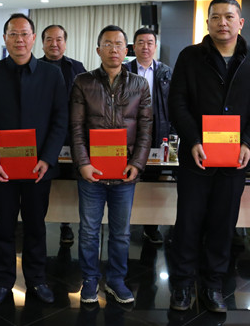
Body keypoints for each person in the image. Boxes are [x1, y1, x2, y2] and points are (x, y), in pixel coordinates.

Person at [168, 0, 250, 312]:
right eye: (216, 17)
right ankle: (182, 285)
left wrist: (248, 143)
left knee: (223, 225)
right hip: (196, 157)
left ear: (241, 22)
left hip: (234, 160)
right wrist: (193, 140)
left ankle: (213, 285)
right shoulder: (190, 56)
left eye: (229, 16)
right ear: (208, 22)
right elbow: (177, 103)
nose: (222, 22)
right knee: (187, 224)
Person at [0, 13, 68, 306]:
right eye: (13, 34)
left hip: (38, 167)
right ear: (5, 38)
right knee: (3, 226)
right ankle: (2, 280)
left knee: (36, 226)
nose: (19, 40)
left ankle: (37, 279)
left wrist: (48, 159)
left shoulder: (51, 74)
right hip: (1, 168)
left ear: (33, 38)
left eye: (25, 34)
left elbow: (60, 120)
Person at [70, 25, 153, 305]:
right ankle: (90, 279)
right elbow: (76, 127)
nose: (113, 49)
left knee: (121, 233)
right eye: (107, 44)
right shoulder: (83, 82)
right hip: (91, 173)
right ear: (98, 50)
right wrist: (83, 164)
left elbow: (146, 129)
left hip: (124, 172)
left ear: (126, 50)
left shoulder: (139, 84)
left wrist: (137, 164)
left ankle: (116, 280)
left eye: (118, 44)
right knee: (89, 231)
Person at [38, 24, 86, 244]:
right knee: (43, 180)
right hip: (43, 136)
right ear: (42, 43)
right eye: (49, 39)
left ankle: (66, 224)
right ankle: (38, 223)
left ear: (65, 43)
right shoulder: (35, 66)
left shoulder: (77, 67)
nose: (54, 44)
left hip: (70, 134)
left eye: (59, 39)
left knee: (69, 181)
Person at [125, 27, 173, 245]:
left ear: (155, 46)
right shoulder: (124, 70)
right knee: (127, 176)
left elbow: (172, 105)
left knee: (153, 180)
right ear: (134, 47)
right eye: (141, 42)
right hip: (130, 132)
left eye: (150, 43)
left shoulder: (166, 72)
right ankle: (124, 222)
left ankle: (151, 227)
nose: (145, 47)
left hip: (157, 131)